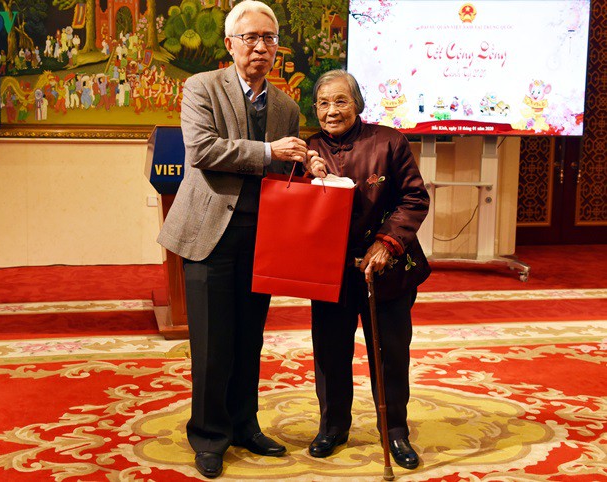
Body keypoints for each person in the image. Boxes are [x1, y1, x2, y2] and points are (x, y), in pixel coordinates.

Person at [156, 1, 308, 478]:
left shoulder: (287, 107)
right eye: (250, 38)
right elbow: (202, 150)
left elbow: (286, 168)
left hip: (262, 237)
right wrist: (268, 151)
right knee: (211, 342)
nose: (260, 47)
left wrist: (309, 165)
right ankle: (208, 435)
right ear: (230, 44)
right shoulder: (201, 86)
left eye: (269, 38)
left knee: (248, 338)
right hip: (210, 233)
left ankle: (245, 425)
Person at [304, 69, 431, 470]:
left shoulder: (389, 141)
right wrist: (307, 174)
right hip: (331, 271)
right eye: (323, 103)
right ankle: (333, 427)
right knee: (330, 351)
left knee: (389, 352)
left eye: (340, 101)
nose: (332, 111)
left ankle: (394, 431)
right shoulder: (308, 149)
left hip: (386, 267)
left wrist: (387, 242)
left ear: (357, 104)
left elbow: (414, 197)